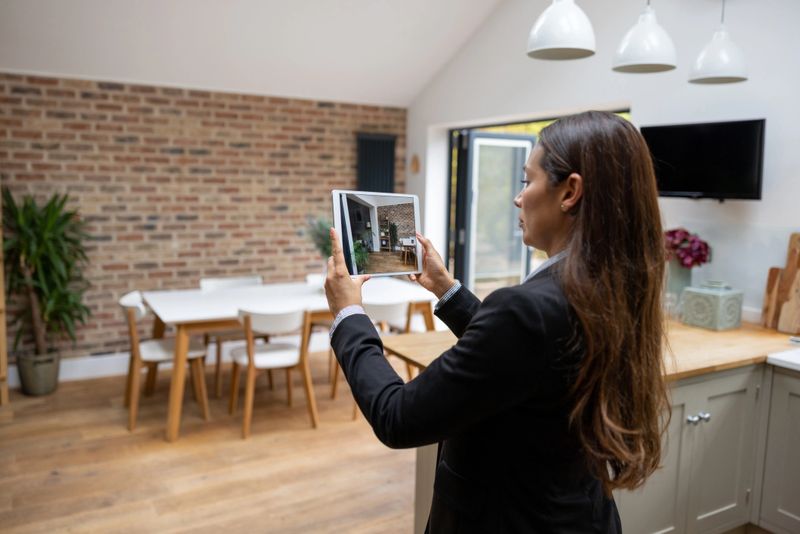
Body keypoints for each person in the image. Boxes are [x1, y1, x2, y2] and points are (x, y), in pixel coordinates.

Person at [324, 110, 668, 533]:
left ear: (570, 192)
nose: (518, 197)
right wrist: (446, 290)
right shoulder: (616, 286)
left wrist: (348, 314)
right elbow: (528, 359)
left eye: (528, 180)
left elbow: (398, 416)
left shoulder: (527, 309)